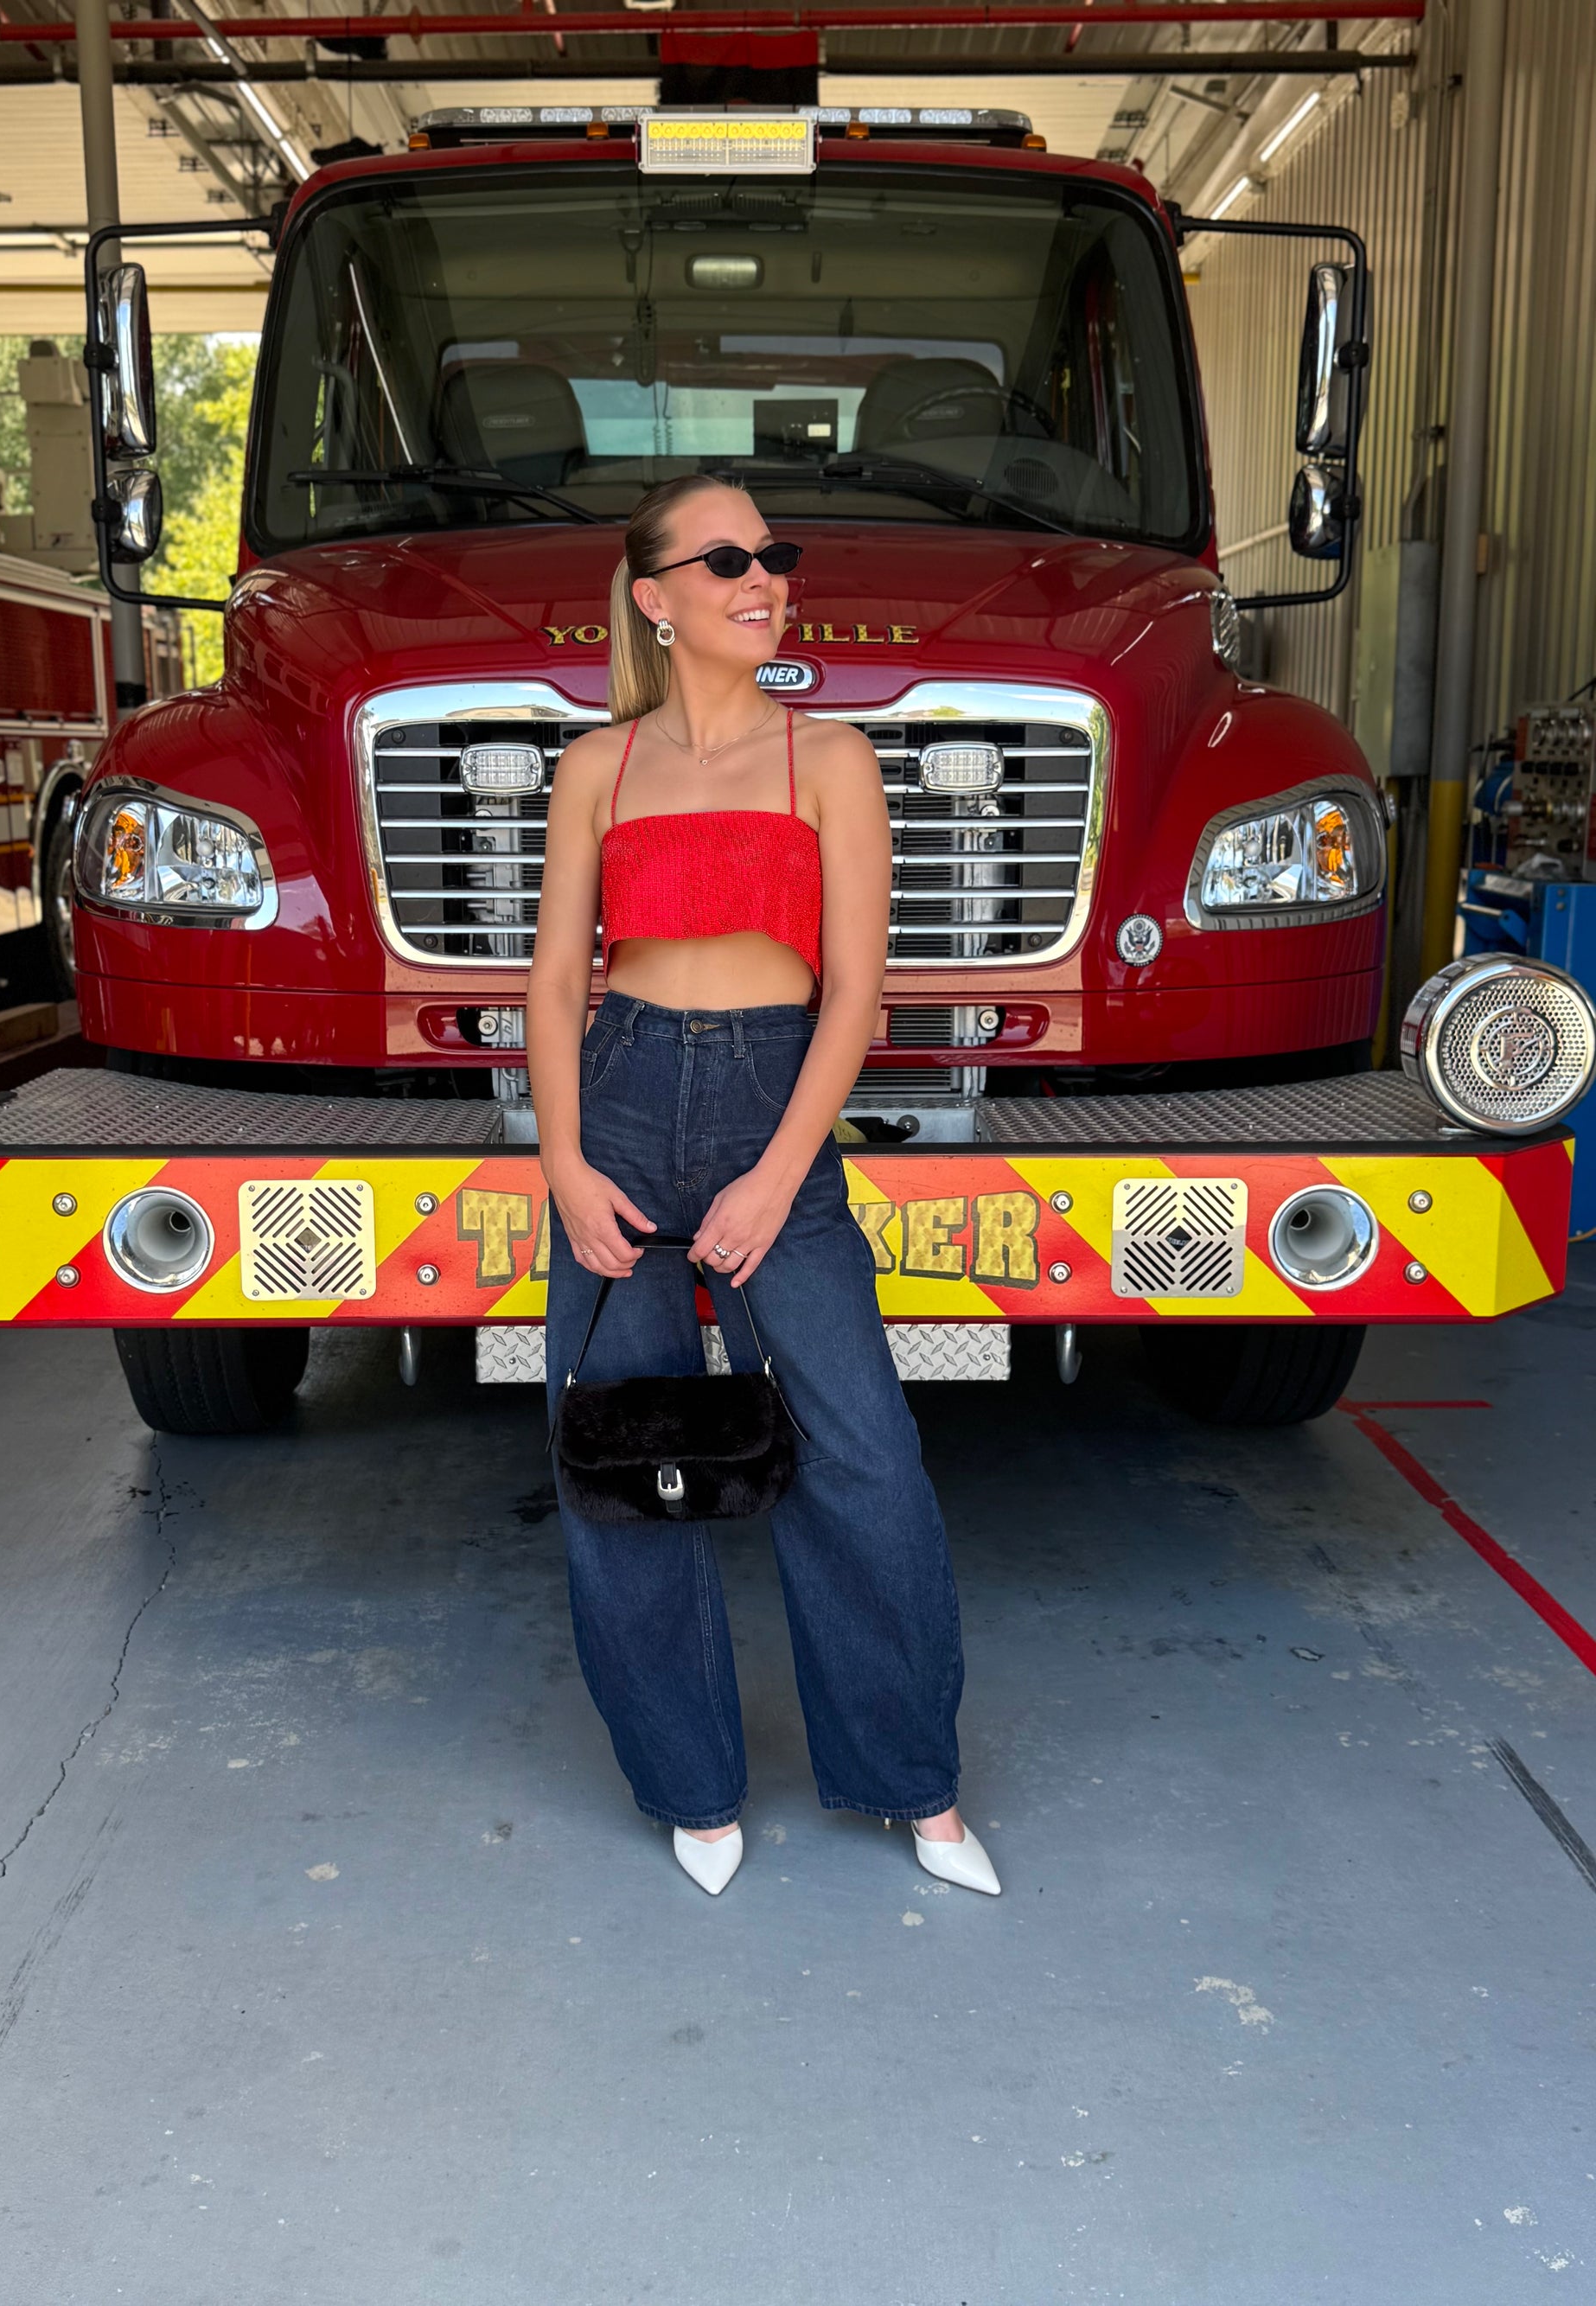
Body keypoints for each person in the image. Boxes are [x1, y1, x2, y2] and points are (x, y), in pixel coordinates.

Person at [527, 474, 999, 1900]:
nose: (764, 574)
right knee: (621, 1460)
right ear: (655, 598)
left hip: (773, 1114)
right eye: (726, 557)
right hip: (617, 1103)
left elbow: (855, 992)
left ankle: (913, 1783)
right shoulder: (597, 767)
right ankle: (692, 1784)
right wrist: (563, 1161)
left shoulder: (831, 760)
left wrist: (776, 1170)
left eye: (773, 554)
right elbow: (554, 984)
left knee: (864, 1455)